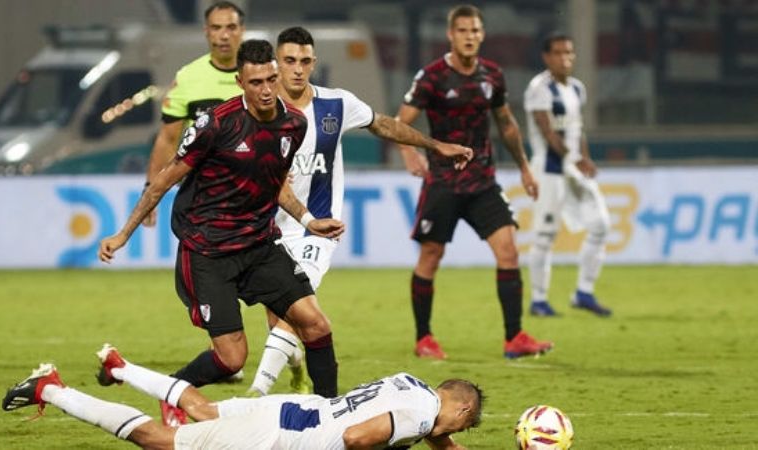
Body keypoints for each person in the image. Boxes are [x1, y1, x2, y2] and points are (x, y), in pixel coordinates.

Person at [98, 40, 344, 424]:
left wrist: (308, 220)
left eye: (270, 79)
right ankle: (174, 390)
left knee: (316, 324)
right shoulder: (216, 123)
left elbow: (276, 183)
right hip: (207, 252)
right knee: (232, 360)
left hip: (260, 245)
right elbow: (164, 181)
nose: (265, 89)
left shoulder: (293, 123)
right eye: (256, 81)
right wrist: (122, 235)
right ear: (239, 82)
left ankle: (331, 415)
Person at [247, 26, 474, 397]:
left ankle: (255, 395)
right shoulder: (258, 110)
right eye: (289, 61)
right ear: (276, 64)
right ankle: (298, 370)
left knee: (294, 307)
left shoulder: (335, 104)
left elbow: (383, 124)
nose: (298, 69)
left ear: (314, 63)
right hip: (267, 229)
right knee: (282, 319)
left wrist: (434, 145)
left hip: (316, 229)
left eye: (305, 61)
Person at [395, 4, 553, 360]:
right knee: (431, 255)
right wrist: (409, 153)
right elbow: (401, 120)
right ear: (451, 35)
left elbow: (507, 123)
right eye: (463, 31)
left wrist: (525, 168)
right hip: (443, 182)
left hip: (482, 181)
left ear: (482, 35)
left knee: (509, 250)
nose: (469, 37)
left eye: (475, 31)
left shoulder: (492, 75)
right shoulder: (432, 77)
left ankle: (515, 338)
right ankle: (424, 338)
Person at [2, 344, 483, 450]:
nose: (454, 433)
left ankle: (120, 367)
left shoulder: (411, 386)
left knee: (203, 407)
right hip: (274, 436)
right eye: (465, 424)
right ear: (460, 408)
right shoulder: (422, 417)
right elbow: (359, 438)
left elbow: (436, 436)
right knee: (159, 439)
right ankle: (51, 389)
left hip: (292, 410)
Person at [524, 34, 612, 317]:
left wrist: (584, 157)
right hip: (549, 170)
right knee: (545, 235)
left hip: (572, 167)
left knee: (601, 224)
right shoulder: (539, 89)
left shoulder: (576, 88)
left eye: (569, 53)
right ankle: (538, 301)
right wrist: (575, 159)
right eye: (558, 53)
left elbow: (577, 129)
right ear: (546, 57)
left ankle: (583, 292)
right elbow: (548, 131)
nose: (565, 58)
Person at [142, 1, 245, 227]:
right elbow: (168, 139)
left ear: (242, 30)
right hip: (201, 195)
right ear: (206, 32)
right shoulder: (188, 78)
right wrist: (150, 192)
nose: (224, 35)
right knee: (202, 262)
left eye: (231, 27)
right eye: (216, 28)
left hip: (251, 194)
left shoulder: (261, 76)